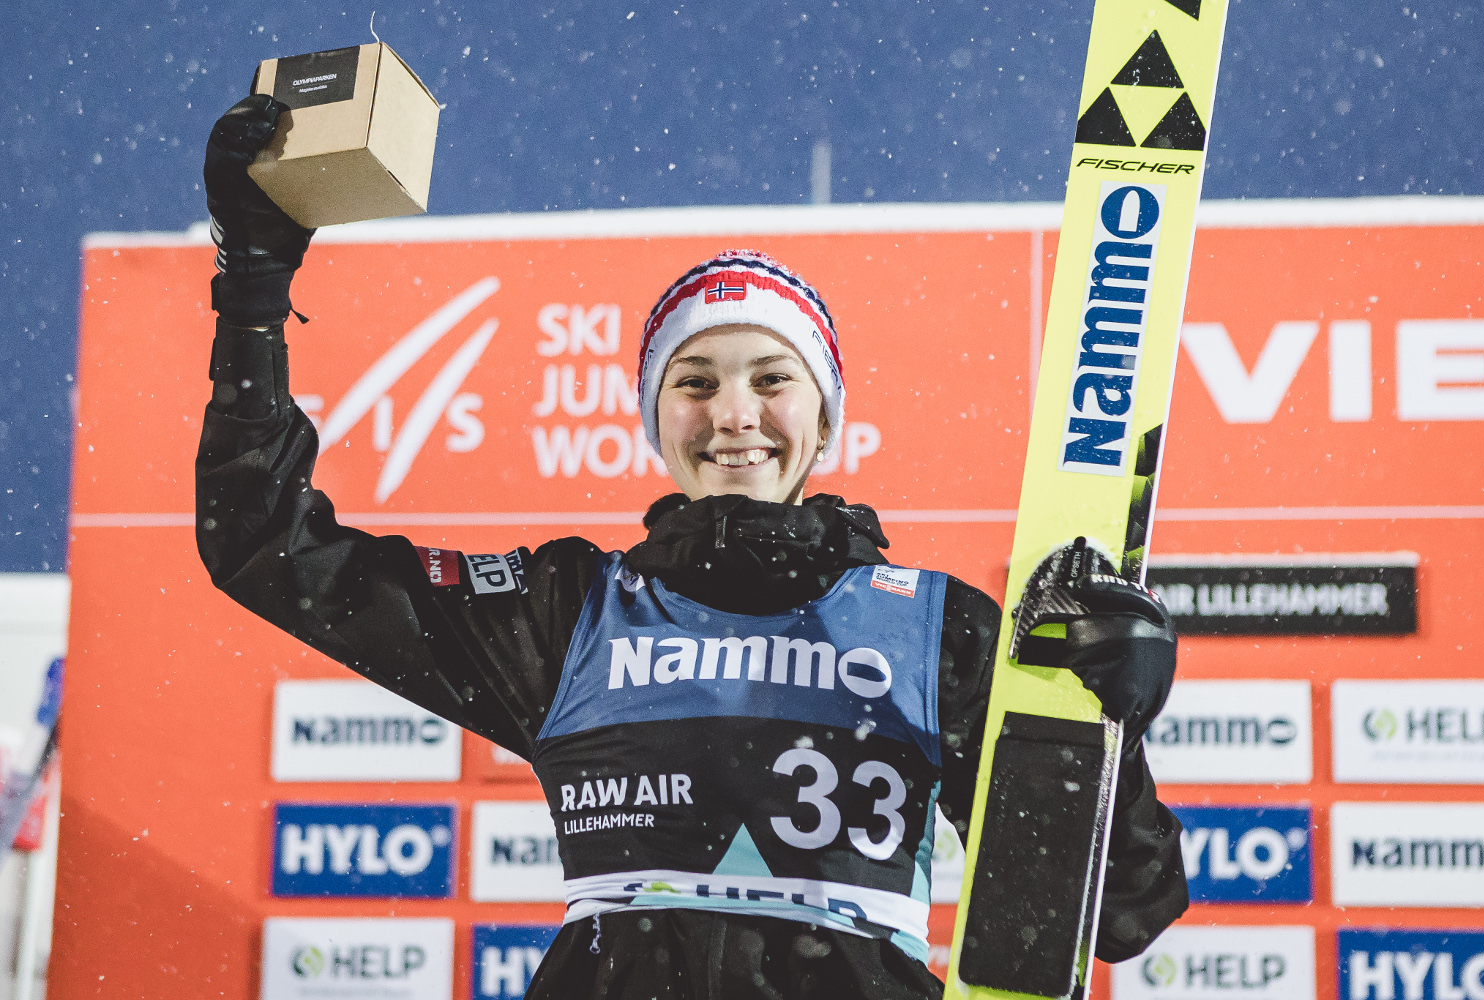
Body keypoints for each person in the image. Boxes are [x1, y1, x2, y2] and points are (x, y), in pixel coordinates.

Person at [197, 95, 1187, 1000]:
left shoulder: (937, 630)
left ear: (826, 418)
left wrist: (1109, 732)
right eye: (696, 381)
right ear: (657, 417)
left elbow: (1115, 915)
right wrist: (252, 289)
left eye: (772, 378)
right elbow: (265, 543)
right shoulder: (569, 611)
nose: (734, 415)